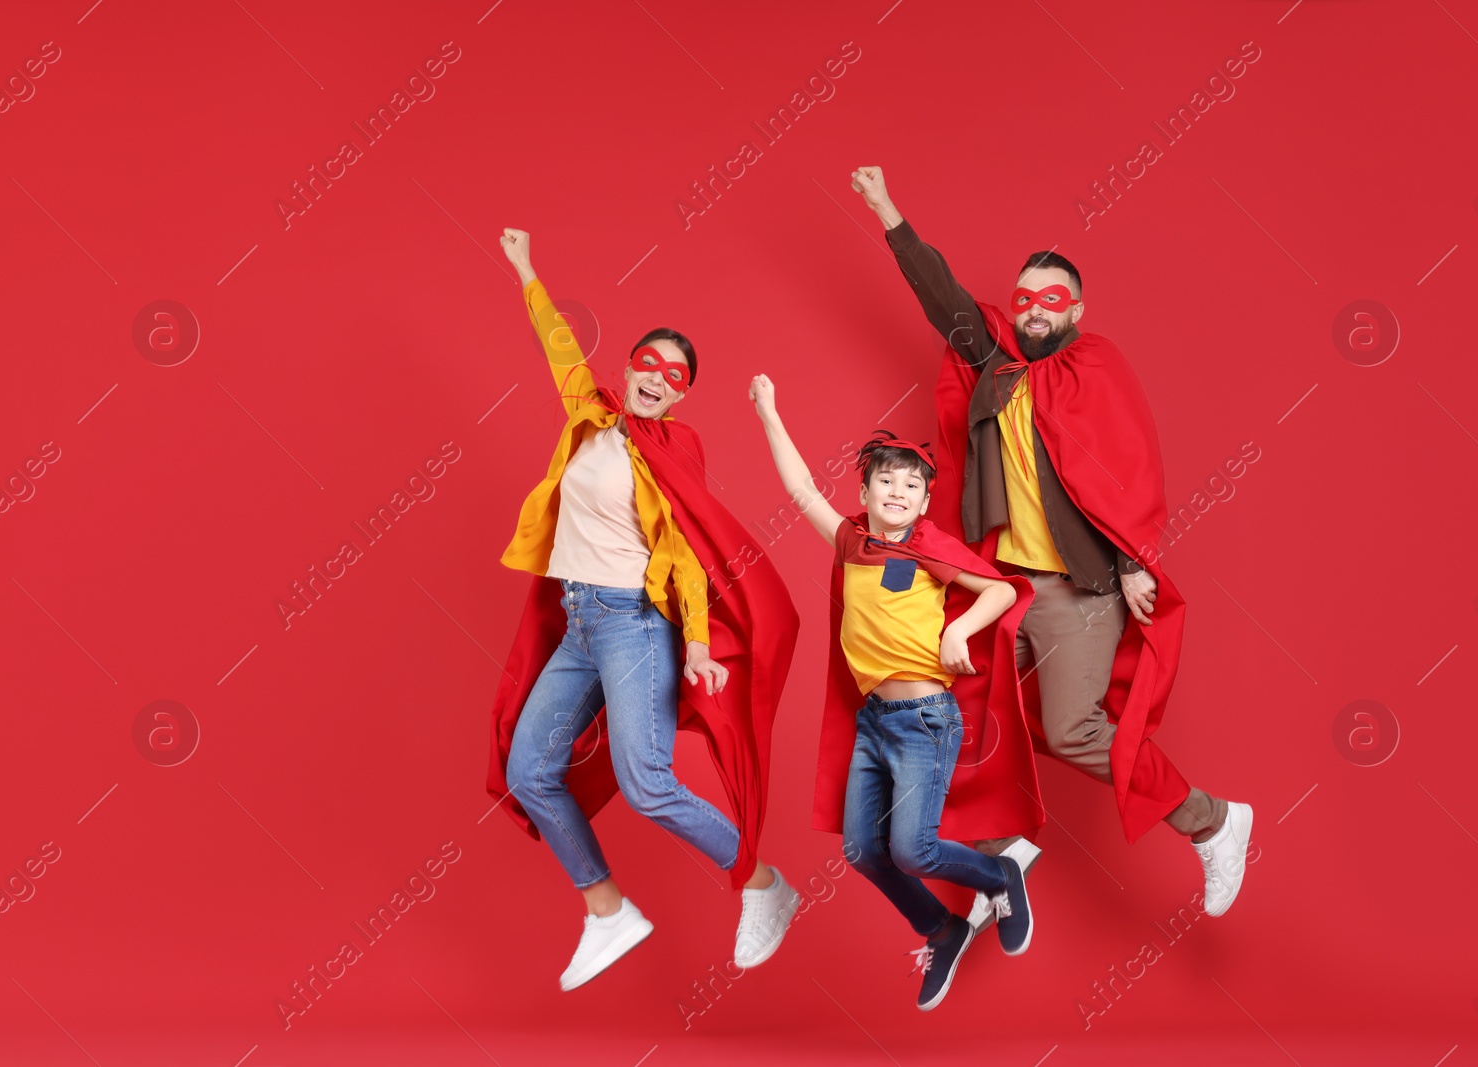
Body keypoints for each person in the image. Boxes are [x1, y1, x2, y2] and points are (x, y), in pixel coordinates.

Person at [851, 167, 1254, 921]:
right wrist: (887, 212)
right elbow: (944, 301)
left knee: (1071, 729)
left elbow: (1127, 470)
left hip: (1082, 589)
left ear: (1077, 308)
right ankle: (1001, 854)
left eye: (1051, 299)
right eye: (1024, 297)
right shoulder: (995, 365)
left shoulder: (1097, 367)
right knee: (952, 709)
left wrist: (1135, 562)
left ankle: (1214, 819)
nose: (1034, 310)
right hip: (1009, 585)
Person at [487, 229, 800, 991]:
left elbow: (689, 552)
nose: (658, 379)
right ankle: (608, 910)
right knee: (529, 768)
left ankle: (762, 884)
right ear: (627, 368)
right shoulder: (591, 414)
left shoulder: (672, 447)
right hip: (581, 626)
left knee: (648, 781)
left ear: (684, 391)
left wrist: (695, 643)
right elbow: (559, 345)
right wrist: (529, 268)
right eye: (649, 364)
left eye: (676, 375)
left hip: (634, 623)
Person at [750, 373, 1038, 1011]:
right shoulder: (853, 540)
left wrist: (959, 628)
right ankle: (944, 928)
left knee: (913, 848)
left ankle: (1001, 874)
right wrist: (770, 410)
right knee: (861, 850)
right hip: (874, 723)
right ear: (865, 491)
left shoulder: (931, 547)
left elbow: (999, 590)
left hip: (924, 720)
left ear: (925, 500)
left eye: (912, 485)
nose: (899, 491)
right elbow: (799, 489)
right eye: (887, 481)